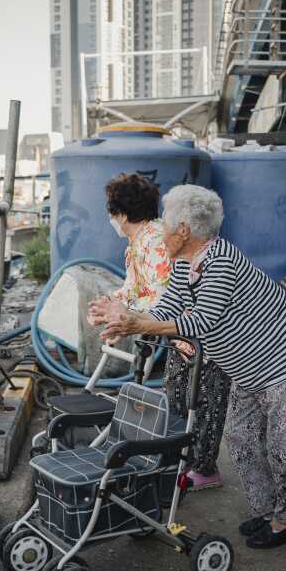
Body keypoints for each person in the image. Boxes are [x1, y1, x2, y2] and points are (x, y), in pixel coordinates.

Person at [98, 184, 286, 549]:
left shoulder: (221, 260)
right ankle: (267, 510)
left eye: (165, 223)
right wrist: (129, 318)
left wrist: (140, 324)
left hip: (283, 358)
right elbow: (168, 307)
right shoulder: (186, 263)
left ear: (183, 230)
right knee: (241, 437)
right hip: (248, 365)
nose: (160, 229)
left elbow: (201, 320)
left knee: (285, 442)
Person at [87, 173, 230, 490]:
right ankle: (180, 462)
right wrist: (112, 303)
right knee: (178, 393)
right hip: (177, 331)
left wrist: (127, 315)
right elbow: (136, 289)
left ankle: (204, 469)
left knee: (204, 397)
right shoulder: (139, 243)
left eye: (112, 213)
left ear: (121, 215)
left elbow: (164, 294)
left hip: (201, 330)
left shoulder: (154, 242)